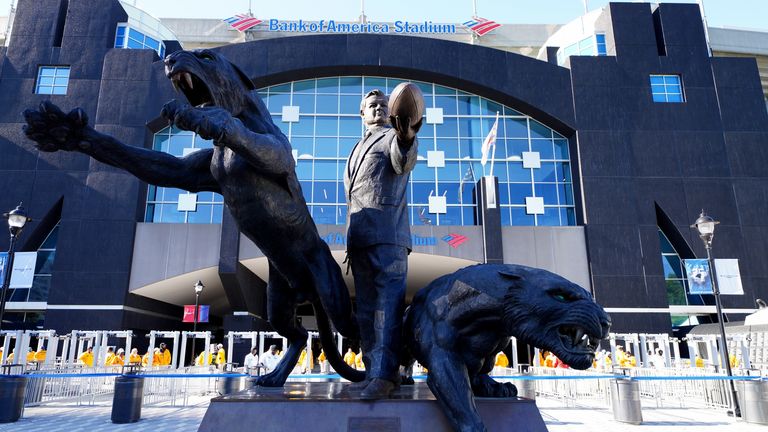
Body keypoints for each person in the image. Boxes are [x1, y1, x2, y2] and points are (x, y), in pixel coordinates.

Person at [344, 88, 421, 399]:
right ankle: (372, 368)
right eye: (372, 105)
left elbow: (403, 160)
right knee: (365, 312)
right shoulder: (356, 148)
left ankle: (385, 374)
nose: (377, 108)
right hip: (360, 239)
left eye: (383, 105)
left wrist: (406, 137)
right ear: (362, 114)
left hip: (388, 237)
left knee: (387, 308)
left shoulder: (393, 136)